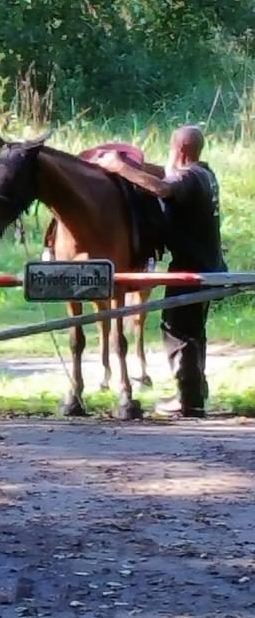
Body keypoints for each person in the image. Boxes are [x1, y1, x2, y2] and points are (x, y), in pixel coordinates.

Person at [95, 125, 226, 418]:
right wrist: (135, 167)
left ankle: (188, 401)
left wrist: (118, 166)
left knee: (178, 331)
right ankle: (194, 393)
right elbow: (166, 177)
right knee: (193, 332)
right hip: (207, 264)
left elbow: (163, 187)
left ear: (178, 150)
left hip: (190, 268)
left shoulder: (187, 177)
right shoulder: (205, 174)